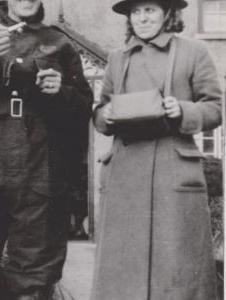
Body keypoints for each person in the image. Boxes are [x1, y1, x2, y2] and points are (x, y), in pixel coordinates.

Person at [0, 1, 93, 299]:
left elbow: (84, 107)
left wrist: (60, 91)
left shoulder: (57, 41)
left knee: (34, 269)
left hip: (38, 162)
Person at [91, 0, 222, 299]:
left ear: (167, 13)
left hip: (171, 171)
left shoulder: (193, 52)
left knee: (177, 266)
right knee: (123, 269)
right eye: (135, 12)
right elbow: (99, 114)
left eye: (149, 10)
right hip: (124, 172)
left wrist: (183, 110)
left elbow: (215, 109)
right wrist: (106, 115)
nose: (142, 18)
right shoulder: (117, 58)